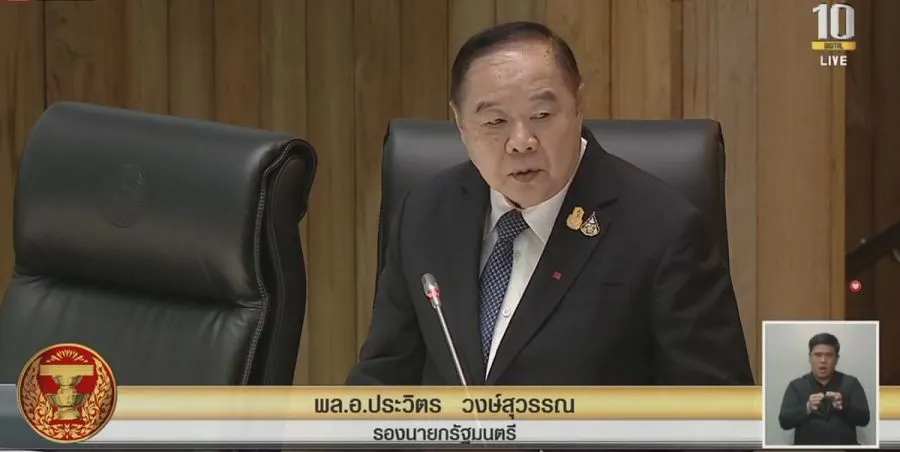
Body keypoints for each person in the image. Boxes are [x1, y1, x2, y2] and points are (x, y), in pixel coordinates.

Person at [346, 21, 753, 386]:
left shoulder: (664, 230)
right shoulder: (426, 214)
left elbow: (716, 411)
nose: (521, 141)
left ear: (578, 105)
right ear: (461, 124)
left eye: (541, 115)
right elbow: (382, 380)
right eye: (494, 122)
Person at [777, 333, 871, 446]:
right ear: (810, 358)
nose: (823, 360)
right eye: (818, 355)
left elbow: (864, 419)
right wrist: (807, 408)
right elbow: (784, 422)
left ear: (837, 359)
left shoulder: (851, 383)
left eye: (829, 355)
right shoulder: (796, 386)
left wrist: (843, 407)